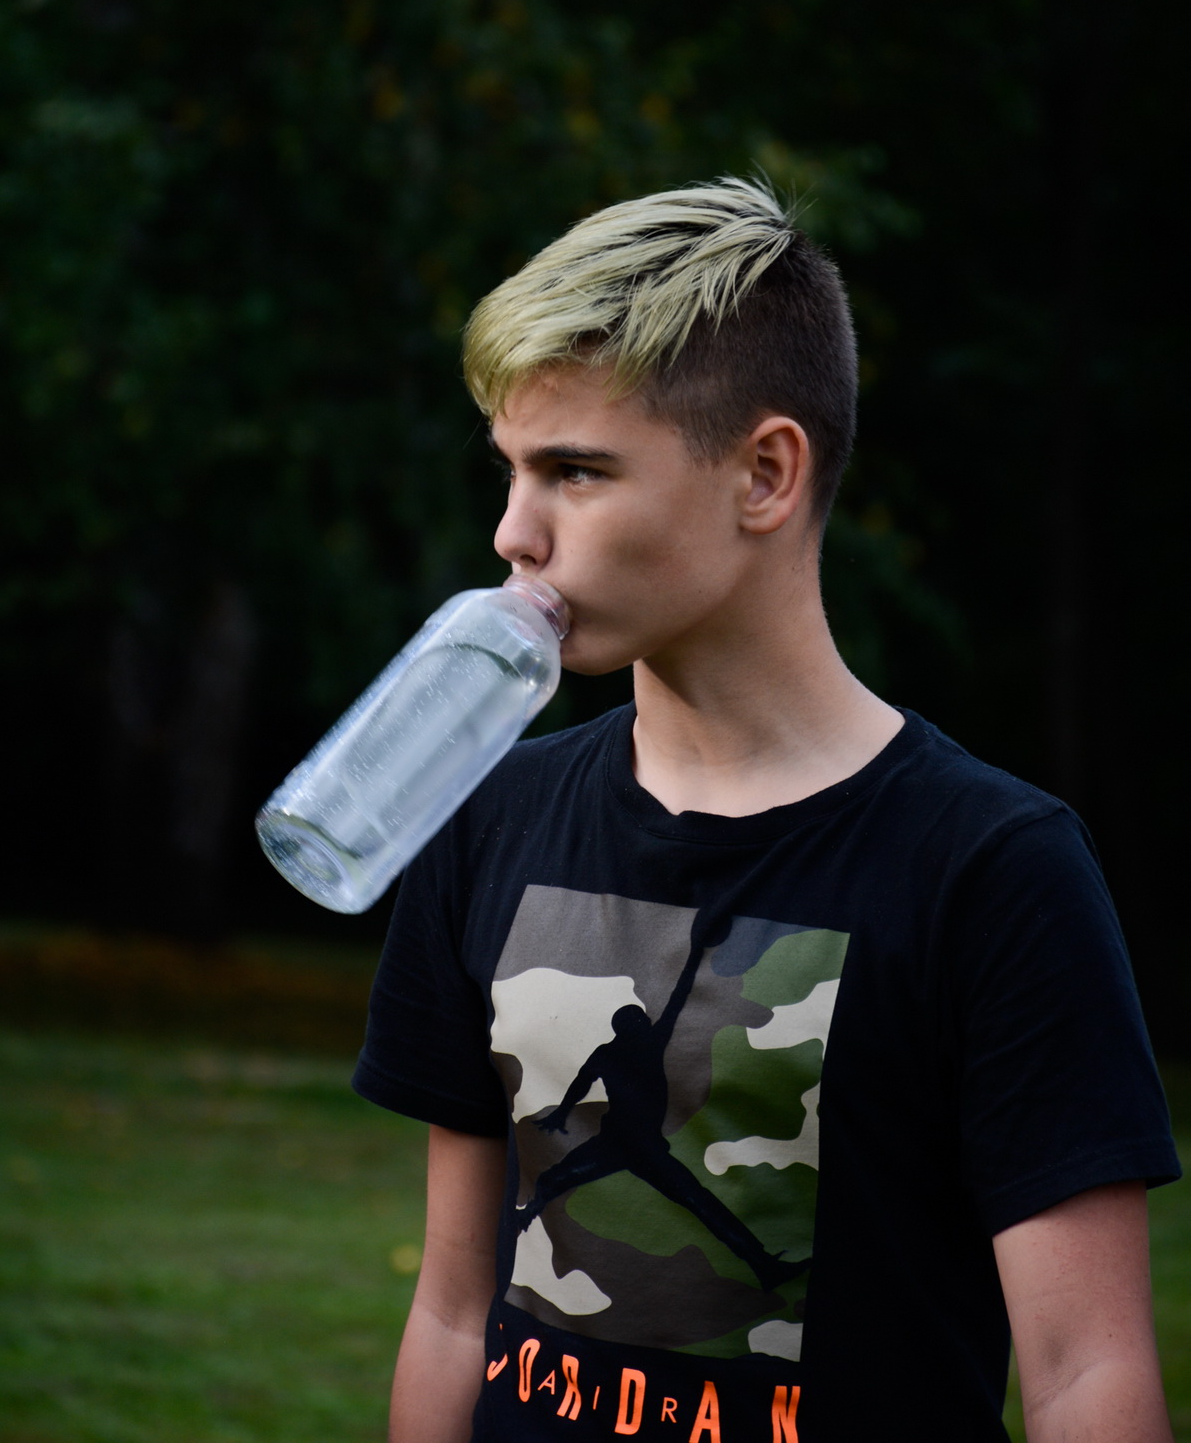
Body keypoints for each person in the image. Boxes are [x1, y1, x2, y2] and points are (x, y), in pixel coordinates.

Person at [353, 178, 1179, 1443]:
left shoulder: (991, 871)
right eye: (512, 470)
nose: (515, 532)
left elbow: (1085, 1378)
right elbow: (454, 1314)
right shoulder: (488, 818)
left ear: (764, 474)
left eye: (575, 471)